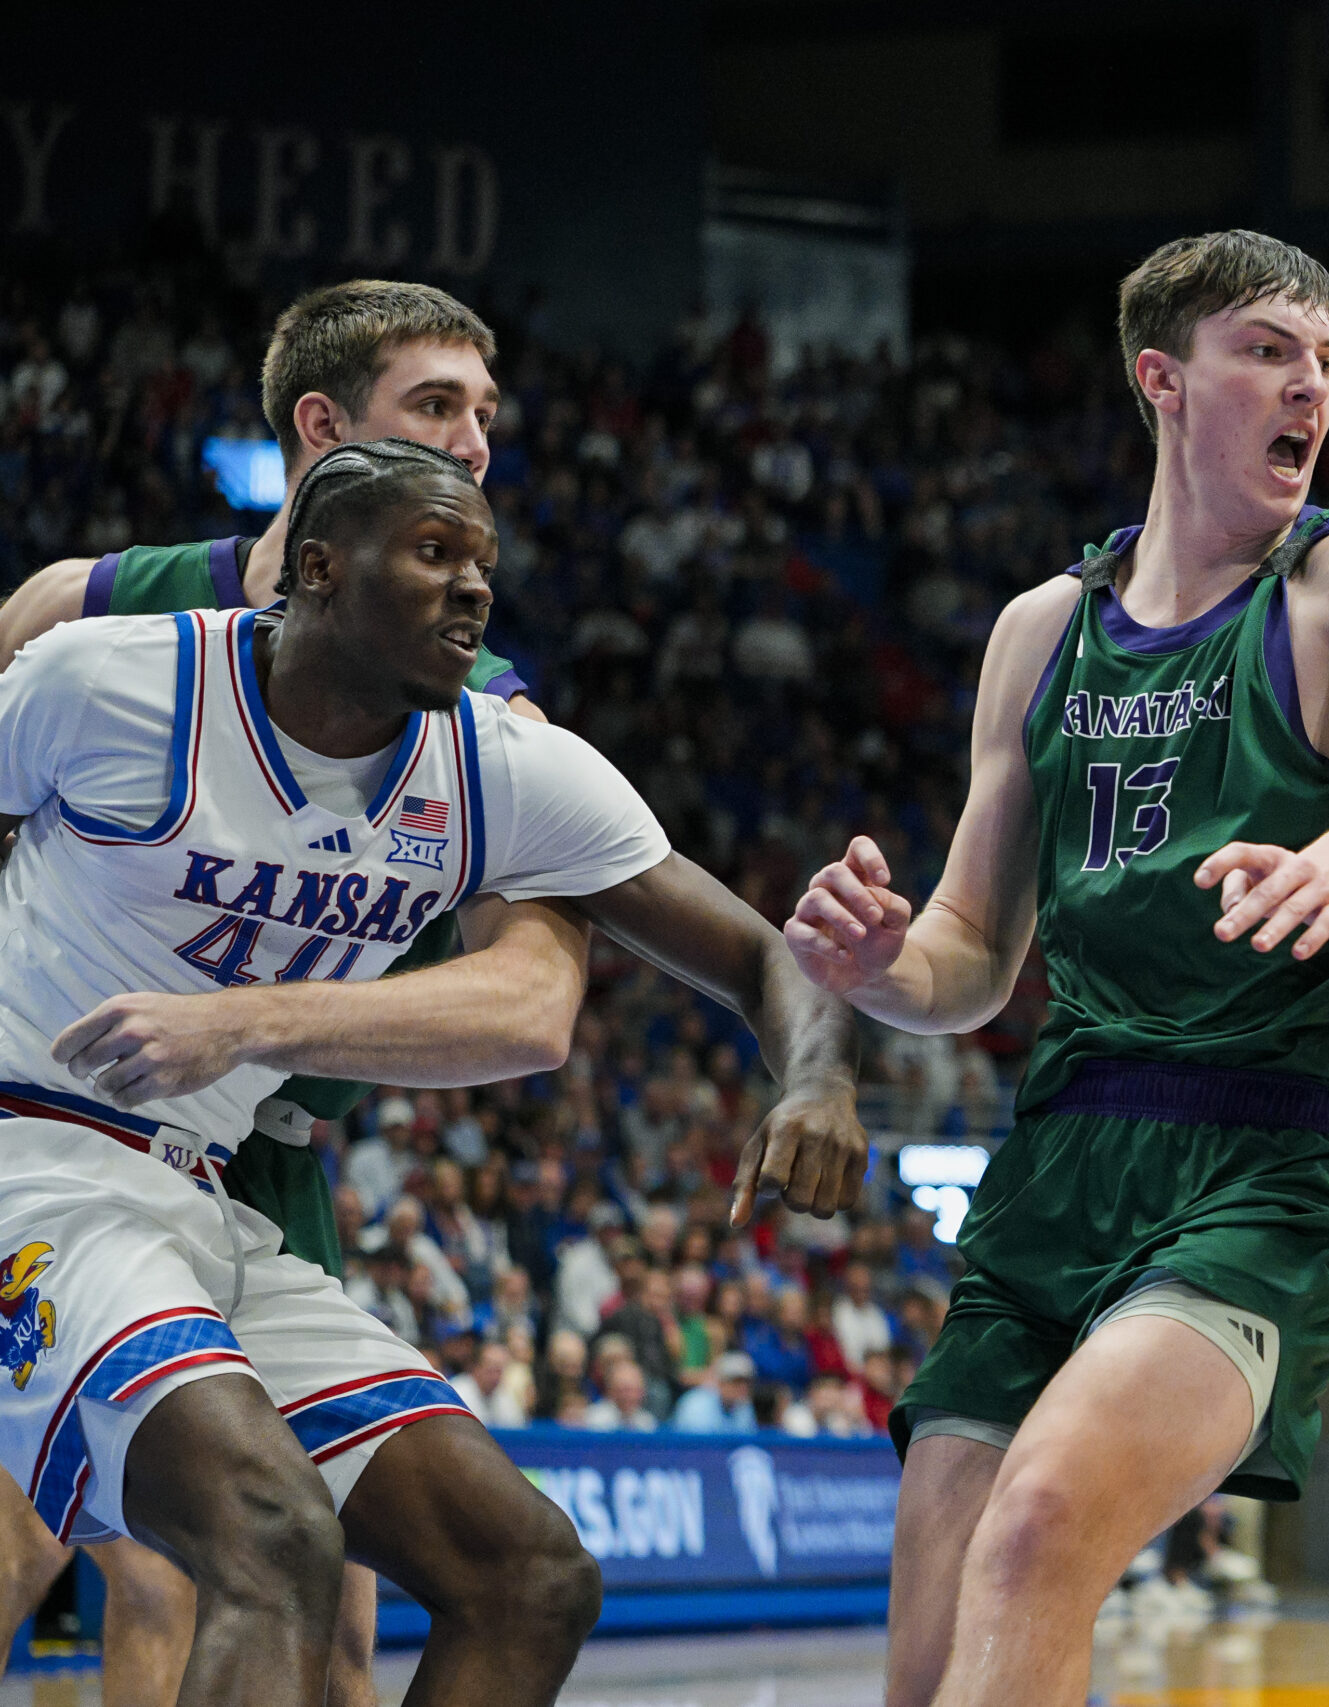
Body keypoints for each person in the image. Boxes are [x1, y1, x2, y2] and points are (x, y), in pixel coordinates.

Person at [0, 440, 864, 1707]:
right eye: (434, 552)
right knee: (272, 1537)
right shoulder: (110, 682)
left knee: (529, 1575)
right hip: (31, 1163)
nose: (473, 589)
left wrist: (816, 1082)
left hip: (203, 1197)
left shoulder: (492, 766)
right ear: (318, 569)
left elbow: (761, 957)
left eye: (485, 565)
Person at [785, 230, 1329, 1707]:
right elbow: (973, 956)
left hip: (1278, 1157)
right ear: (1162, 377)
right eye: (1270, 350)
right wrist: (884, 963)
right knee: (924, 1653)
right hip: (1065, 1152)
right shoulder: (1045, 630)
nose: (1311, 386)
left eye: (1327, 361)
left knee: (1039, 1529)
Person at [0, 278, 546, 1707]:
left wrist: (256, 1022)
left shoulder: (484, 704)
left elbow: (536, 995)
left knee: (318, 1610)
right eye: (437, 406)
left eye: (487, 413)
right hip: (53, 1134)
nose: (478, 441)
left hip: (262, 1163)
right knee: (61, 1544)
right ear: (322, 428)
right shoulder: (92, 611)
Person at [670, 1353, 758, 1435]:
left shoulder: (744, 1405)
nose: (743, 1388)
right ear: (720, 1382)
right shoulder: (696, 1404)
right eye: (736, 1382)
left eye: (747, 1382)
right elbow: (695, 1446)